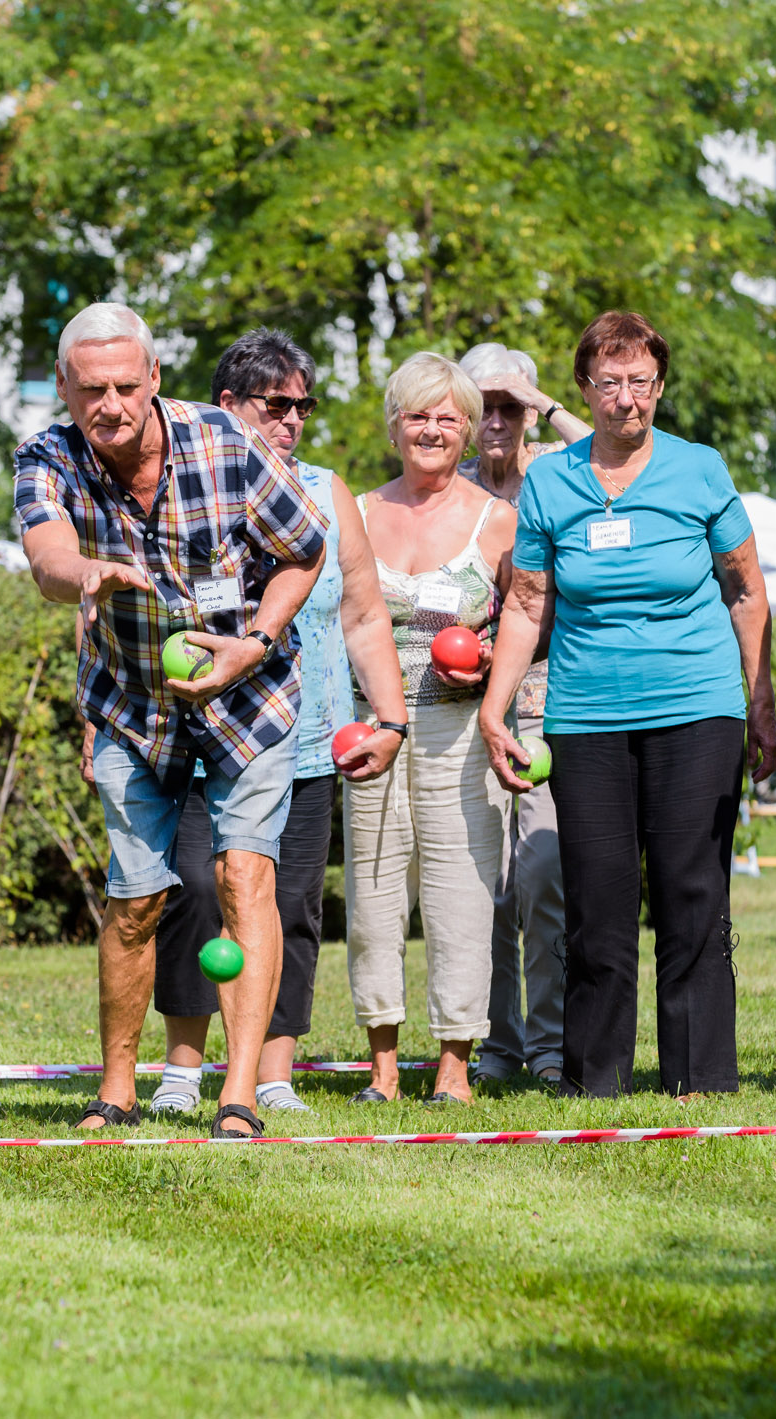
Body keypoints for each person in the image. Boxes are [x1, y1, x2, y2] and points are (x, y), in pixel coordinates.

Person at [14, 302, 328, 1139]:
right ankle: (117, 1086)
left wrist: (254, 640)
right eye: (90, 390)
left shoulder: (226, 441)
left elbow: (306, 549)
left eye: (124, 386)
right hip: (130, 702)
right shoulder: (48, 455)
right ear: (64, 387)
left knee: (242, 879)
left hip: (248, 694)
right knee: (137, 899)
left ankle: (240, 1093)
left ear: (154, 379)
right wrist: (86, 572)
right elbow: (45, 555)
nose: (109, 405)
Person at [481, 313, 776, 1100]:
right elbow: (526, 602)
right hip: (587, 715)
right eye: (609, 383)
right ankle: (594, 1076)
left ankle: (700, 1076)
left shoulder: (700, 469)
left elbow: (746, 592)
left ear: (660, 386)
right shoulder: (550, 481)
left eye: (640, 382)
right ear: (584, 388)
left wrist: (761, 701)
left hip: (699, 706)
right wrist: (494, 705)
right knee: (599, 900)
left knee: (691, 891)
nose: (625, 399)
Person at [130, 329, 408, 1117]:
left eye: (302, 405)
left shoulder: (327, 493)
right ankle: (183, 1069)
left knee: (287, 910)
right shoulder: (179, 484)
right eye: (275, 404)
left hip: (307, 738)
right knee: (190, 895)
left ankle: (270, 1073)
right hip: (195, 736)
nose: (292, 420)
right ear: (227, 407)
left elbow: (363, 616)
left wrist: (387, 718)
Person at [345, 352, 514, 1107]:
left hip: (457, 731)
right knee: (373, 895)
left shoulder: (496, 518)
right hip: (370, 729)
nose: (433, 429)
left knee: (460, 899)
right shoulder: (354, 510)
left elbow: (528, 622)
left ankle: (453, 1062)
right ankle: (381, 1064)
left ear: (471, 431)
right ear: (394, 424)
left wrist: (485, 667)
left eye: (449, 417)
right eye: (419, 414)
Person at [458, 341, 590, 1088]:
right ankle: (496, 1044)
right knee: (487, 883)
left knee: (542, 871)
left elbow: (618, 448)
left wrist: (542, 404)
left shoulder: (556, 467)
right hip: (466, 699)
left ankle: (548, 1043)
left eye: (510, 406)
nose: (497, 419)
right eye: (485, 406)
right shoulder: (455, 480)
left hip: (546, 694)